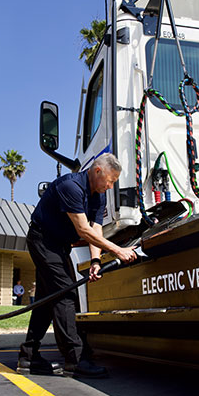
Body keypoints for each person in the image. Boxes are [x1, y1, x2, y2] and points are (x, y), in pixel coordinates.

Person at [17, 153, 137, 378]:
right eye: (110, 181)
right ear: (97, 171)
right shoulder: (71, 187)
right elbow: (83, 230)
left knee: (47, 300)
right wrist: (118, 250)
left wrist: (95, 260)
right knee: (65, 295)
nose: (111, 187)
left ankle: (28, 357)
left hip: (60, 245)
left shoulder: (98, 194)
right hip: (43, 240)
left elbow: (96, 229)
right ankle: (75, 360)